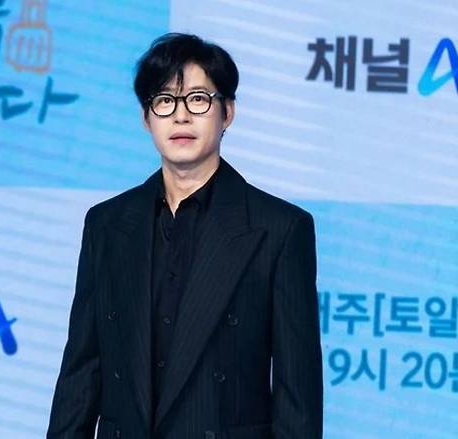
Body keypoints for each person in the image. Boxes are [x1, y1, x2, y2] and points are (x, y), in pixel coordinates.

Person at [47, 33, 322, 439]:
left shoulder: (279, 229)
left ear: (227, 112)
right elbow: (81, 373)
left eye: (197, 99)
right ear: (146, 118)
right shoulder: (107, 224)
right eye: (164, 101)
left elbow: (297, 400)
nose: (180, 116)